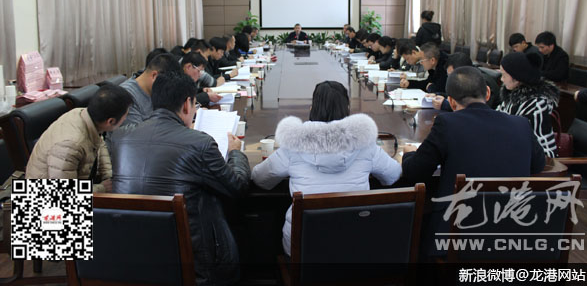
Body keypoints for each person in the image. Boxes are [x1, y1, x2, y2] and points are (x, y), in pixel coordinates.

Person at [111, 73, 250, 285]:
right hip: (190, 265)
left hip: (130, 258)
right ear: (187, 104)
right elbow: (237, 187)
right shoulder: (200, 143)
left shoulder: (120, 137)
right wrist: (235, 152)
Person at [400, 67, 546, 258]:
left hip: (458, 236)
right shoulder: (521, 124)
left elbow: (415, 172)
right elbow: (538, 166)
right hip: (514, 232)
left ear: (451, 101)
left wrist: (409, 154)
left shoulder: (447, 124)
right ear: (487, 93)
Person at [251, 81, 402, 257]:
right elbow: (393, 175)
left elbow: (260, 178)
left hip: (304, 248)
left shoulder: (293, 144)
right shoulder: (365, 143)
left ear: (312, 108)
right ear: (347, 109)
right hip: (355, 245)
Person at [25, 84, 133, 192]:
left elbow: (99, 144)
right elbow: (64, 193)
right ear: (111, 121)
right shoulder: (70, 145)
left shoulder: (84, 114)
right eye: (125, 116)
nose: (125, 119)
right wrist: (102, 188)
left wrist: (109, 177)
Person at [497, 52, 560, 157]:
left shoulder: (536, 106)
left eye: (504, 75)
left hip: (540, 161)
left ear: (517, 78)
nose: (501, 79)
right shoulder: (512, 96)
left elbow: (538, 150)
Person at [119, 53, 182, 128]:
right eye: (167, 84)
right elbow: (136, 134)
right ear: (154, 76)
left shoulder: (155, 90)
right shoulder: (126, 96)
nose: (167, 89)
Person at [428, 52, 501, 110]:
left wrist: (446, 105)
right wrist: (438, 95)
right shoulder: (469, 77)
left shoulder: (481, 82)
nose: (450, 79)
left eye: (452, 76)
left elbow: (478, 109)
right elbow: (459, 97)